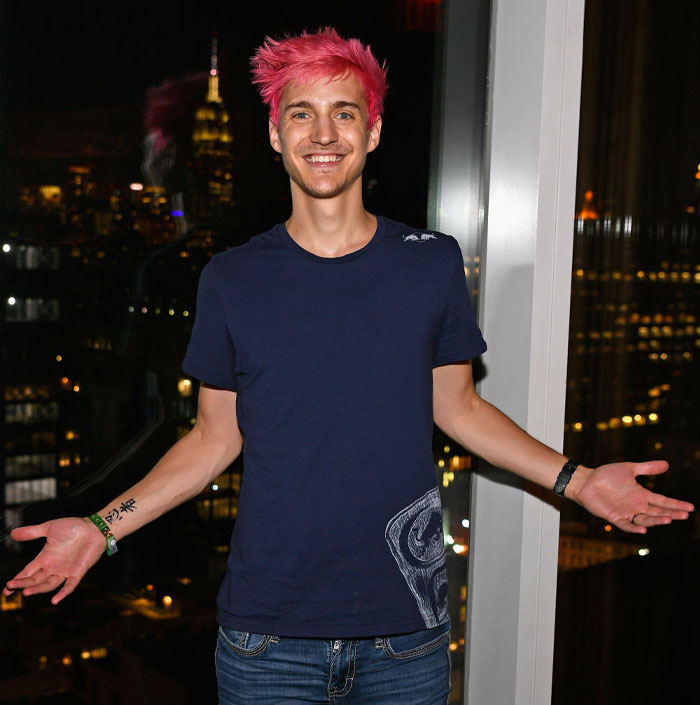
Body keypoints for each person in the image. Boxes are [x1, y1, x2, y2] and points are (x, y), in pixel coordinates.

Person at [3, 28, 694, 705]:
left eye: (345, 113)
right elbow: (214, 439)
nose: (324, 133)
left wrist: (579, 481)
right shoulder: (231, 279)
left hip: (406, 635)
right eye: (302, 113)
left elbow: (459, 408)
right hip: (266, 641)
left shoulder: (430, 262)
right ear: (276, 135)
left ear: (374, 131)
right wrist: (100, 527)